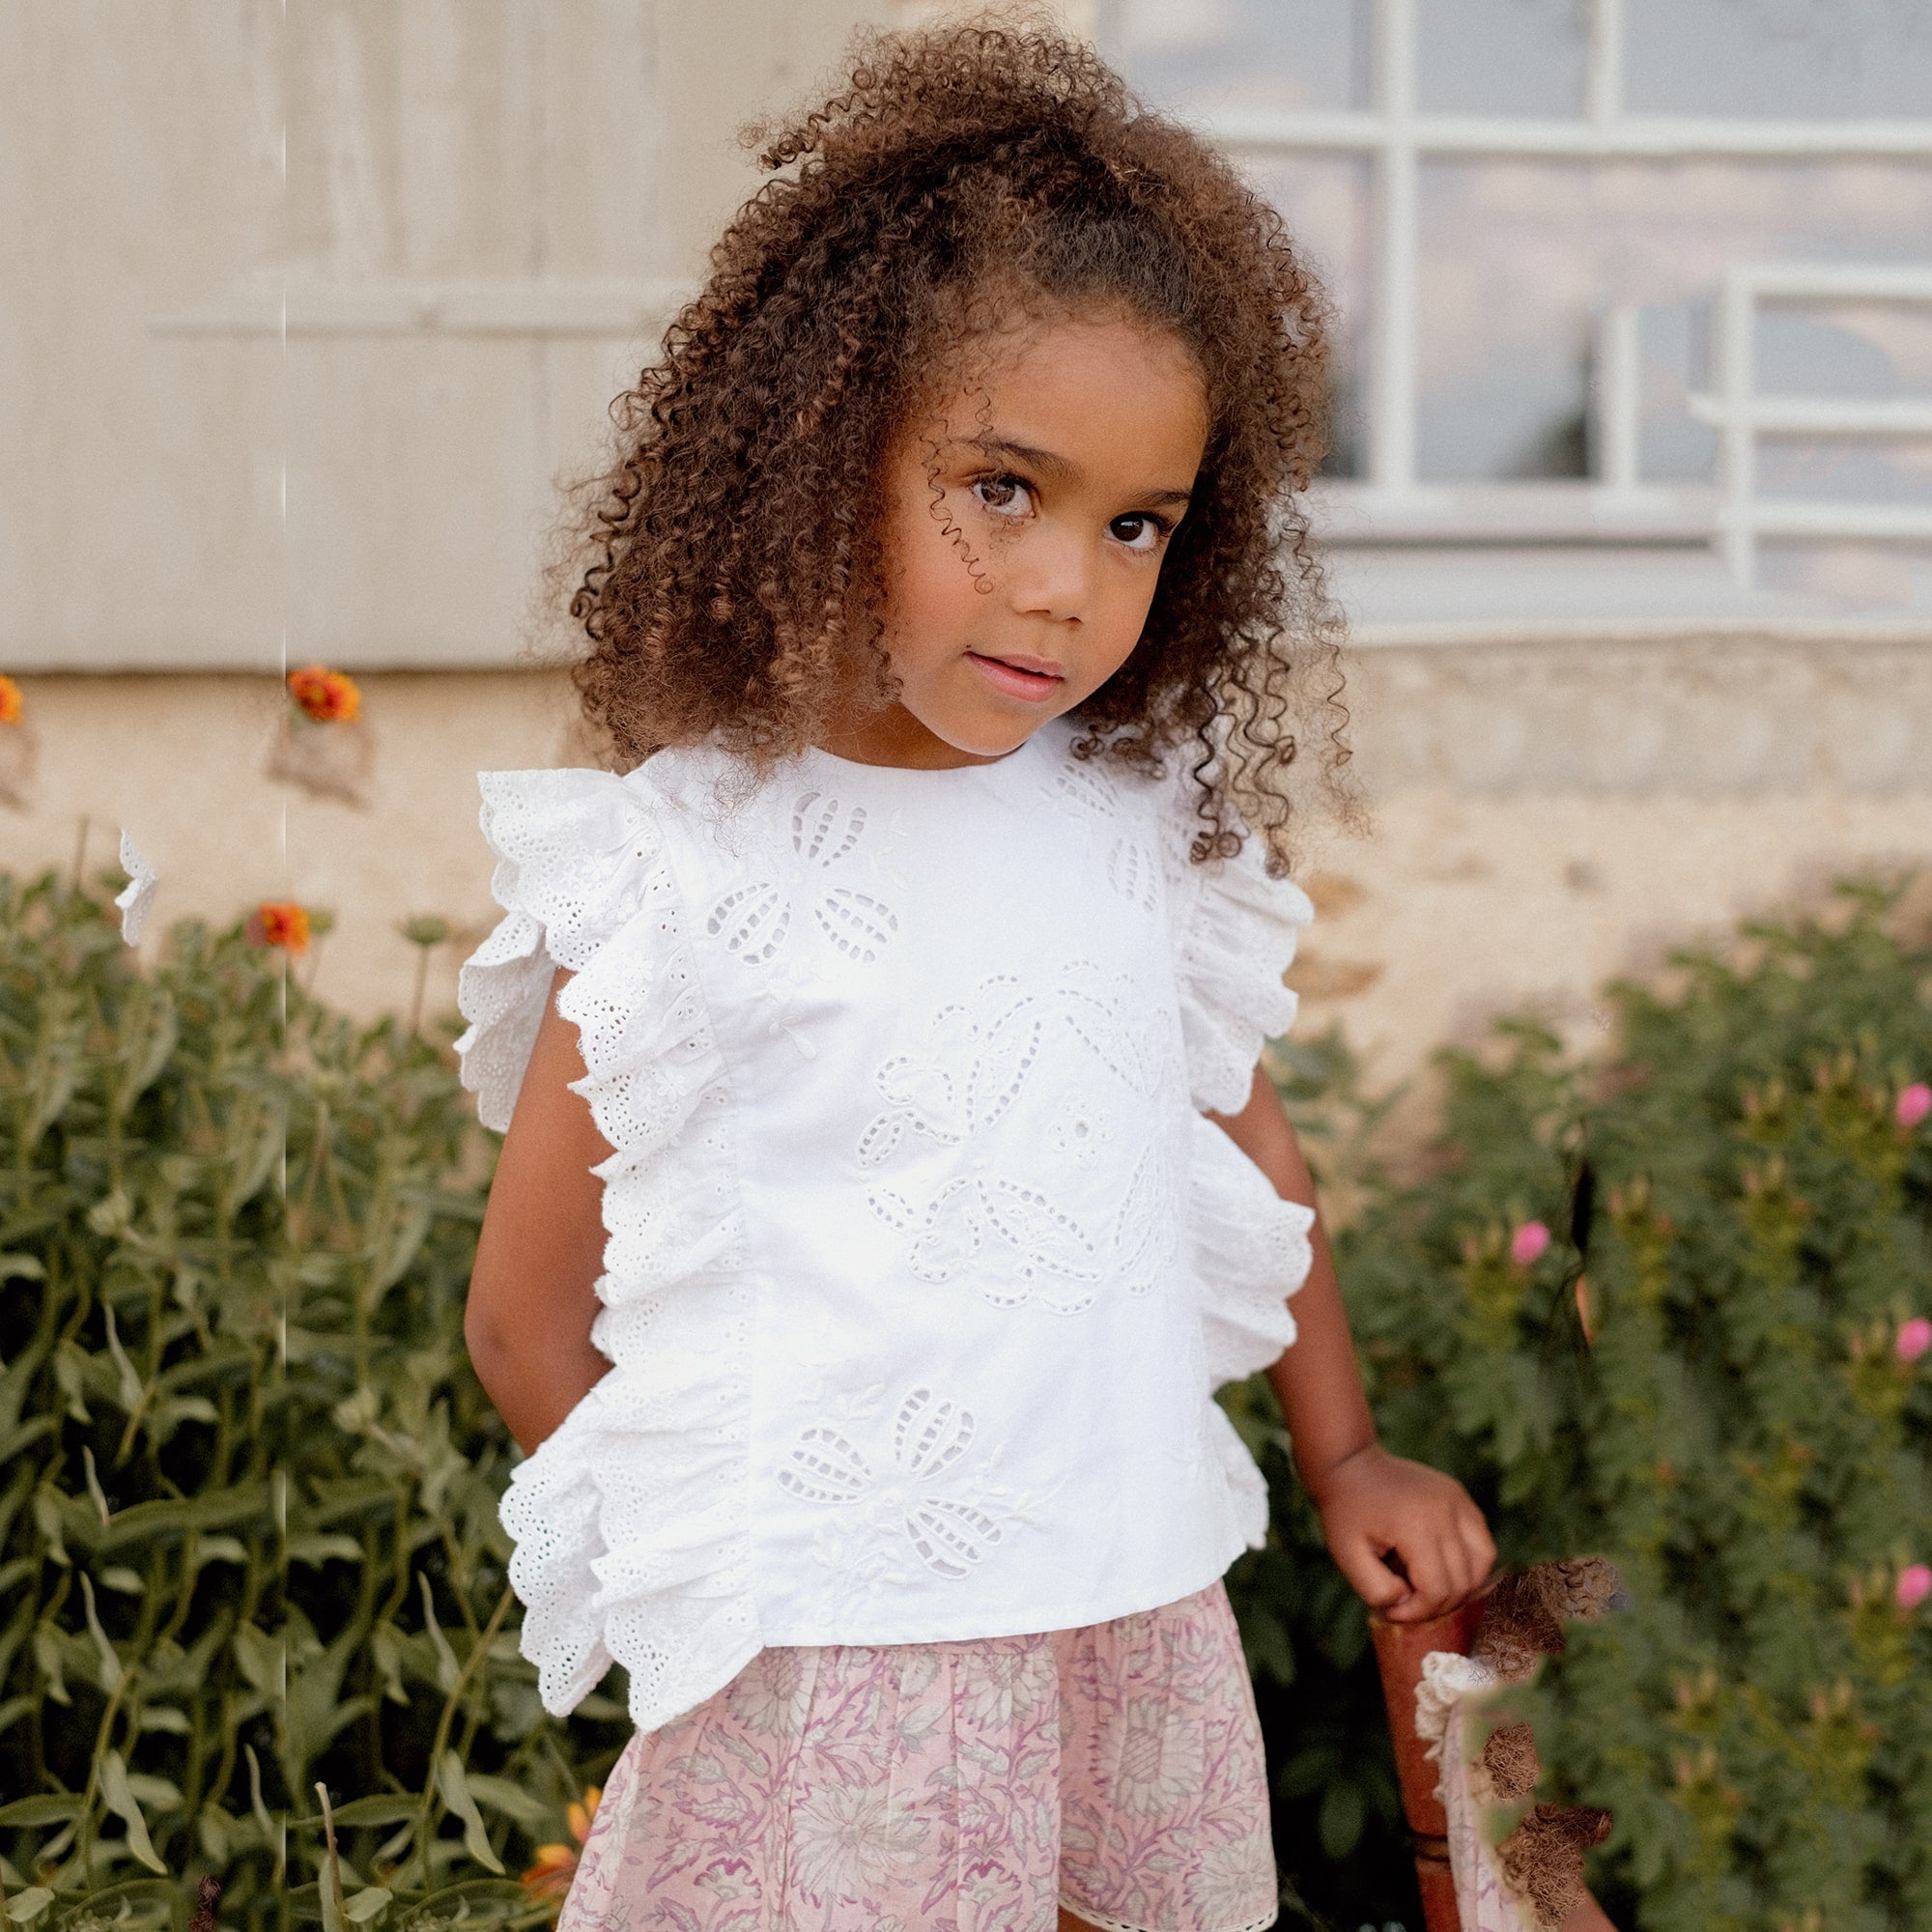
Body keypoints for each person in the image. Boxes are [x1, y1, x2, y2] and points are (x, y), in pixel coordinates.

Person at [454, 21, 1495, 1932]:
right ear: (826, 446)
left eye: (1132, 525)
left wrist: (1338, 1448)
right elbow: (527, 1318)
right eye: (1000, 490)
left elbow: (1234, 1144)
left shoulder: (1131, 823)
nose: (1063, 587)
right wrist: (725, 1573)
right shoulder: (684, 867)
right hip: (827, 1686)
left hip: (1127, 1620)